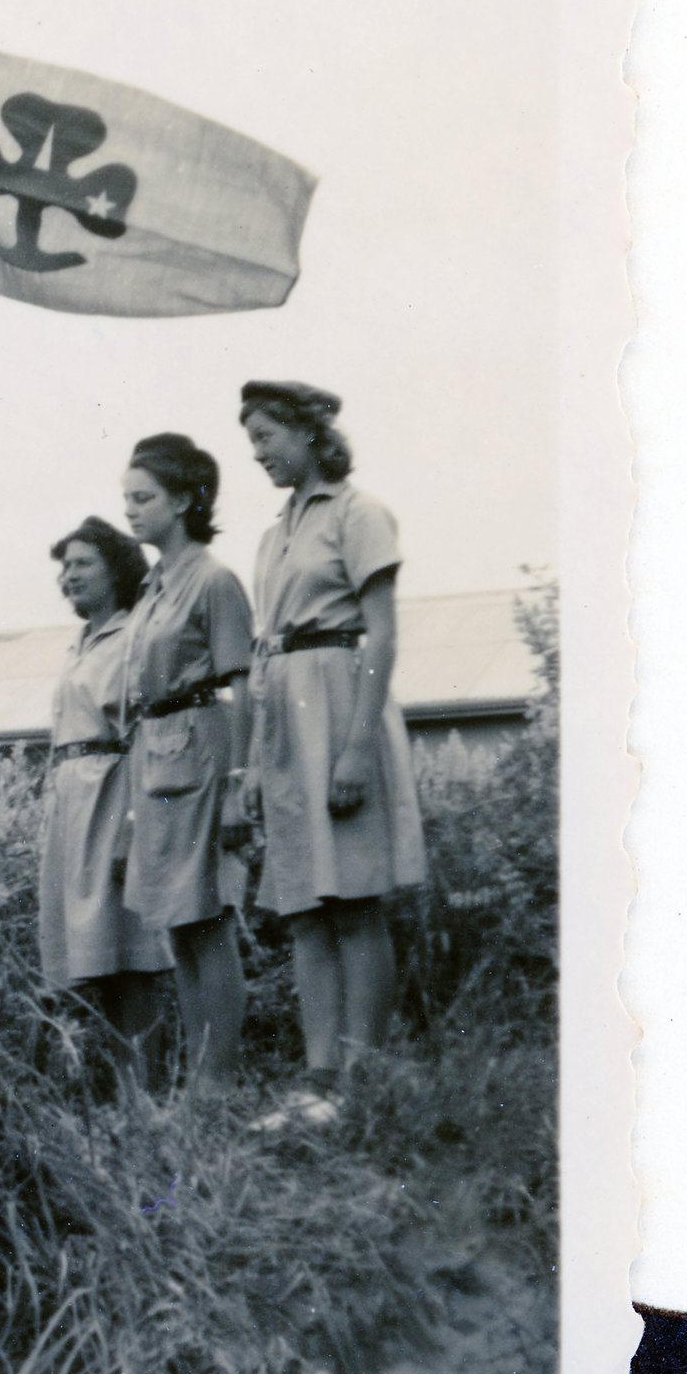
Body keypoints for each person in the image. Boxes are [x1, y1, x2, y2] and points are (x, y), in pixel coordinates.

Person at [239, 379, 427, 1118]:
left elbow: (381, 633)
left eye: (267, 437)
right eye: (251, 441)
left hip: (344, 706)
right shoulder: (272, 533)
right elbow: (265, 652)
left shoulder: (358, 513)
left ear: (310, 433)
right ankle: (320, 1078)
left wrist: (355, 750)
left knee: (354, 902)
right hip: (286, 717)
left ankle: (364, 1075)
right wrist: (256, 758)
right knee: (303, 907)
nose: (258, 454)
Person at [117, 435, 254, 1085]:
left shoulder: (213, 580)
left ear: (184, 500)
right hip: (156, 761)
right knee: (176, 923)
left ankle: (218, 1084)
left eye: (143, 498)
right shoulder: (152, 589)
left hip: (201, 753)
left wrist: (236, 786)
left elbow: (243, 685)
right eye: (127, 499)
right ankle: (201, 1076)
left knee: (206, 921)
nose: (131, 511)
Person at [37, 514, 173, 1089]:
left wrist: (133, 826)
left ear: (116, 569)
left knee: (133, 953)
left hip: (115, 796)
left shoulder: (134, 638)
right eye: (64, 567)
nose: (69, 576)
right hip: (74, 802)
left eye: (82, 564)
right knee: (99, 956)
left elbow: (149, 732)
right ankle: (126, 1098)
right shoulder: (82, 644)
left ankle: (150, 1095)